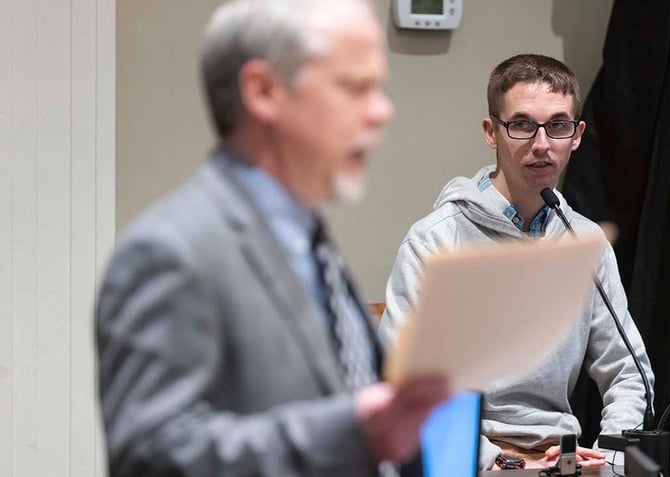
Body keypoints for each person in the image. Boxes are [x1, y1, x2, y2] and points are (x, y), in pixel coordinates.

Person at [95, 0, 450, 475]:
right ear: (263, 91)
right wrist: (351, 433)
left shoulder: (308, 241)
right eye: (354, 87)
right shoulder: (168, 250)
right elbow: (149, 456)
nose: (382, 111)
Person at [378, 54, 654, 471]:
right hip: (467, 460)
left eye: (557, 125)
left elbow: (629, 372)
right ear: (492, 132)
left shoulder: (587, 242)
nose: (541, 144)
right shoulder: (436, 239)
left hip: (562, 459)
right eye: (522, 125)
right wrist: (503, 462)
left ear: (576, 135)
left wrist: (608, 456)